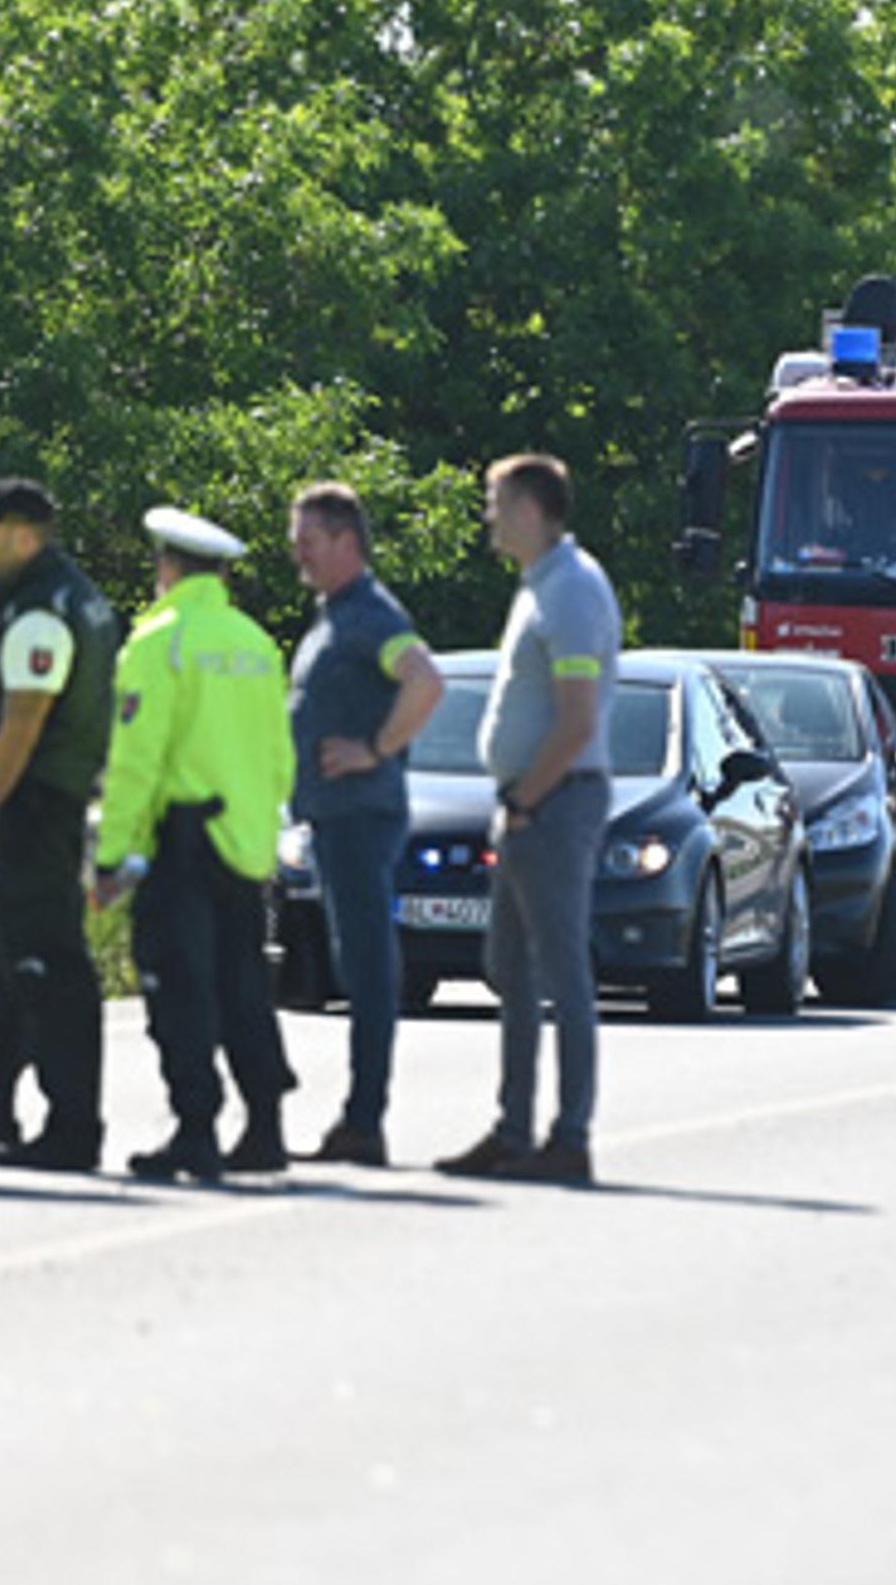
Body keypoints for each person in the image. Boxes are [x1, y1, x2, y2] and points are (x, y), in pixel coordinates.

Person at [93, 506, 297, 1183]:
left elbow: (136, 760)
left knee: (178, 988)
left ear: (168, 566)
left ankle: (196, 1129)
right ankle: (265, 1126)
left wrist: (112, 855)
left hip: (181, 842)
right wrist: (260, 836)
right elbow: (279, 758)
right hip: (244, 843)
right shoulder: (255, 644)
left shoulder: (159, 642)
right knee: (244, 985)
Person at [0, 479, 124, 1171]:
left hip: (33, 811)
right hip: (35, 810)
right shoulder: (68, 598)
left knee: (47, 971)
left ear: (22, 534)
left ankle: (72, 1128)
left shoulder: (41, 613)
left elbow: (19, 730)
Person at [437, 454, 623, 1187]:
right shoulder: (540, 586)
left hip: (556, 799)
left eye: (497, 502)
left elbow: (577, 721)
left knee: (563, 973)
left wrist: (525, 800)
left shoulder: (572, 590)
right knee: (510, 968)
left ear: (531, 509)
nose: (489, 515)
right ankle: (513, 1131)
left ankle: (568, 1137)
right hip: (531, 798)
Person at [286, 482, 447, 1166]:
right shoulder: (336, 615)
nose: (298, 554)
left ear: (346, 542)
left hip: (360, 815)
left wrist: (375, 749)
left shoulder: (369, 616)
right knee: (356, 964)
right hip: (336, 818)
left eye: (309, 541)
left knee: (368, 967)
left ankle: (363, 1121)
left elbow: (425, 679)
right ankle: (359, 1118)